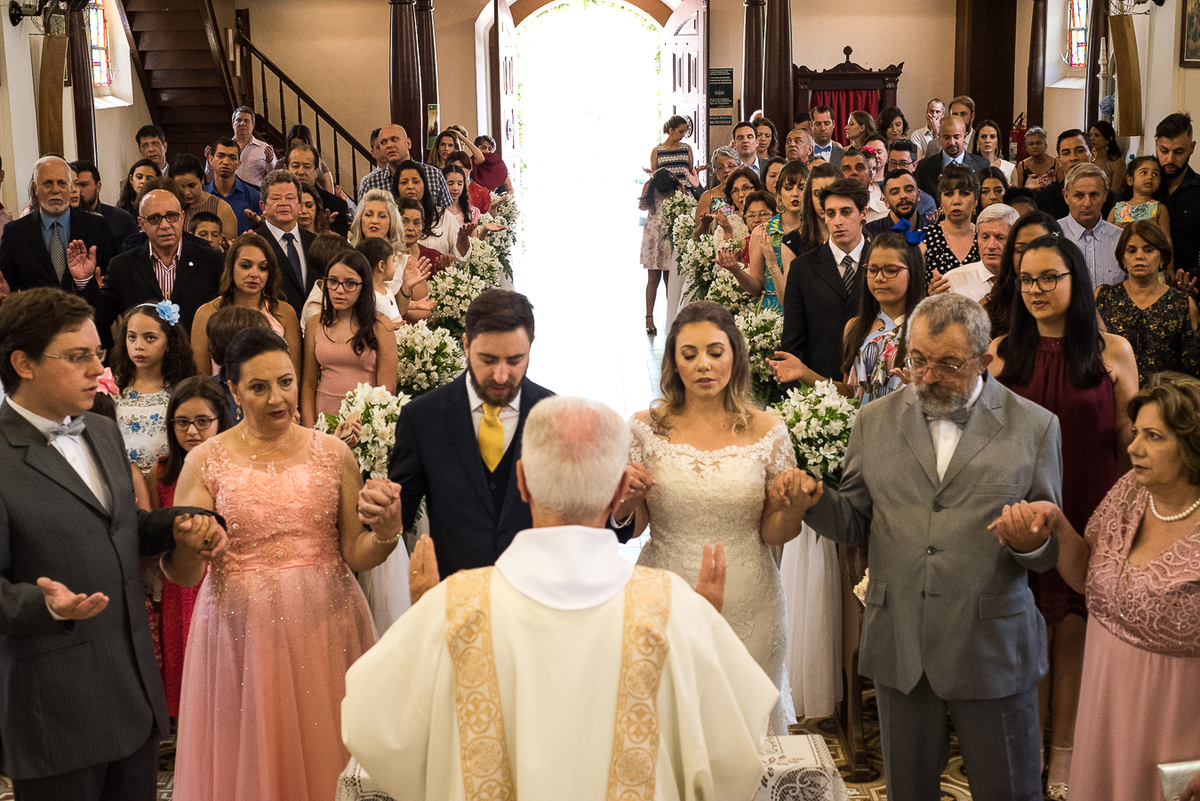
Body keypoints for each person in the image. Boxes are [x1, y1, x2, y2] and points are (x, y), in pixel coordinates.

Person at [345, 395, 780, 801]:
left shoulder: (454, 607)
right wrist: (704, 634)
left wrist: (425, 631)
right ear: (616, 494)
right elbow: (735, 759)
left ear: (522, 482)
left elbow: (372, 729)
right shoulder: (675, 611)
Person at [791, 291, 1063, 801]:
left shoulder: (1035, 427)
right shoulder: (873, 422)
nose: (929, 376)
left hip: (992, 644)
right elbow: (854, 520)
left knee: (1009, 789)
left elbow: (1048, 550)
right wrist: (815, 500)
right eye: (917, 360)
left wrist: (1030, 545)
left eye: (948, 364)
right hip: (901, 639)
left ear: (984, 360)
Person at [0, 287, 225, 800]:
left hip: (131, 694)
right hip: (55, 709)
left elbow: (123, 527)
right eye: (78, 357)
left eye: (97, 353)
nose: (95, 368)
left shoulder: (103, 430)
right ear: (23, 363)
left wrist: (178, 524)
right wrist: (46, 605)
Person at [172, 327, 392, 801]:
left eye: (287, 382)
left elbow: (356, 551)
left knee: (328, 750)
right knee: (251, 755)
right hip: (240, 631)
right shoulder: (205, 461)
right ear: (232, 390)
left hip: (327, 625)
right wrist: (194, 544)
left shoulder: (334, 454)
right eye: (259, 387)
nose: (278, 398)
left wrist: (388, 532)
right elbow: (185, 573)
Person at [989, 372, 1200, 801]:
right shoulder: (1128, 493)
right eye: (1136, 432)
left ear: (1193, 446)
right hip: (1104, 706)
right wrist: (1055, 524)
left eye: (1154, 437)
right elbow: (1089, 577)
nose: (1134, 447)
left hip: (1174, 724)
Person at [989, 233, 1138, 799]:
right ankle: (1027, 747)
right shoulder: (1001, 350)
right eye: (1027, 279)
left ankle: (1067, 755)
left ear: (1077, 280)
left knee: (1075, 627)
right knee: (1024, 628)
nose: (1037, 289)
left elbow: (1129, 440)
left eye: (1050, 277)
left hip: (1089, 501)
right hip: (1021, 508)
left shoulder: (1111, 351)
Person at [613, 301, 806, 732]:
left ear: (734, 355)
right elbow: (635, 522)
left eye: (715, 352)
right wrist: (624, 498)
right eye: (690, 354)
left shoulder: (768, 429)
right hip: (666, 593)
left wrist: (791, 507)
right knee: (671, 726)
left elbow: (775, 534)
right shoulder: (645, 428)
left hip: (749, 600)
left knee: (744, 729)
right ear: (674, 362)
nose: (704, 365)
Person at [388, 290, 635, 578]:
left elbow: (589, 518)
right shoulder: (422, 418)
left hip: (543, 591)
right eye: (488, 360)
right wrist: (380, 512)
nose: (501, 375)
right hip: (458, 594)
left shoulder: (557, 415)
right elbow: (399, 515)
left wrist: (621, 507)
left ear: (531, 345)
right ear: (466, 345)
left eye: (515, 360)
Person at [144, 376, 231, 721]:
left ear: (221, 421)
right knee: (188, 671)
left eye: (202, 422)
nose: (192, 431)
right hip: (180, 585)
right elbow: (155, 533)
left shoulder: (233, 467)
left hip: (221, 578)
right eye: (182, 422)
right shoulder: (162, 472)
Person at [769, 231, 926, 404]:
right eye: (872, 270)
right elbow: (850, 393)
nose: (879, 278)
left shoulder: (926, 329)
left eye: (891, 270)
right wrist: (804, 372)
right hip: (863, 426)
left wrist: (922, 390)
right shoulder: (855, 327)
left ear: (913, 272)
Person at [100, 188, 225, 336]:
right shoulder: (121, 267)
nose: (165, 225)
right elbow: (101, 321)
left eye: (171, 216)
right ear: (141, 223)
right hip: (143, 354)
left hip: (194, 355)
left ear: (182, 217)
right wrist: (84, 281)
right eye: (154, 218)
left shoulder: (212, 261)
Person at [781, 178, 868, 383]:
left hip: (874, 387)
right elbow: (793, 343)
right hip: (819, 389)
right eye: (831, 214)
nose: (837, 221)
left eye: (846, 212)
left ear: (863, 213)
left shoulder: (881, 262)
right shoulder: (802, 268)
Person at [1096, 221, 1200, 387]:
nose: (1139, 256)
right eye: (1131, 250)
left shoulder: (1182, 303)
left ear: (1162, 258)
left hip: (1165, 403)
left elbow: (1193, 370)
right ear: (1122, 258)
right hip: (1112, 399)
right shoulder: (1103, 297)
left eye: (1148, 249)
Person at [300, 249, 398, 424]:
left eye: (350, 283)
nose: (339, 290)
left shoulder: (381, 325)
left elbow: (387, 391)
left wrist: (372, 430)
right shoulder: (314, 324)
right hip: (324, 419)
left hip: (364, 423)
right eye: (333, 282)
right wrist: (310, 431)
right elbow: (308, 384)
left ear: (363, 287)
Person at [190, 233, 303, 378]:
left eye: (263, 268)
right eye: (246, 266)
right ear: (231, 267)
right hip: (222, 398)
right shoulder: (206, 313)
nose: (255, 274)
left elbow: (293, 376)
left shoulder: (284, 312)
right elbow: (201, 379)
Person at [0, 156, 115, 298]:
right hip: (37, 317)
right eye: (48, 183)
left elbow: (111, 280)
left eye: (62, 183)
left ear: (71, 186)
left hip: (86, 315)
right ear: (35, 188)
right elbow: (6, 287)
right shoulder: (14, 233)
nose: (56, 190)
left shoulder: (98, 226)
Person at [112, 302, 199, 474]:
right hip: (126, 483)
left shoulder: (182, 390)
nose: (139, 346)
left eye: (150, 338)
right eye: (132, 337)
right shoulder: (112, 389)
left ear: (169, 342)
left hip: (169, 480)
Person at [986, 210, 1064, 338]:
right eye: (1021, 249)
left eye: (1038, 247)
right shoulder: (993, 307)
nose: (1029, 256)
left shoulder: (1071, 300)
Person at [254, 169, 318, 320]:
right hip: (272, 328)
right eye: (276, 198)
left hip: (314, 326)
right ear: (263, 207)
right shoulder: (254, 243)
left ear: (300, 204)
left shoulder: (316, 243)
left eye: (290, 198)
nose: (284, 203)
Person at [750, 160, 808, 312]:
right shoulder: (762, 231)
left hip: (807, 307)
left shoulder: (815, 231)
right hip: (771, 310)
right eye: (788, 188)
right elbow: (757, 286)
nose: (795, 193)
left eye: (801, 188)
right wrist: (735, 270)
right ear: (779, 195)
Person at [1060, 163, 1125, 289]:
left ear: (1105, 195)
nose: (1087, 203)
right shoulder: (1052, 236)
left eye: (1094, 195)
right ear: (1066, 196)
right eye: (1079, 195)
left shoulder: (1121, 239)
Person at [393, 159, 473, 260]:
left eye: (416, 182)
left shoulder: (444, 216)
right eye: (404, 182)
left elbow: (460, 259)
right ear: (397, 187)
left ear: (425, 185)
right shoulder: (390, 217)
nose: (410, 186)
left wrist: (463, 241)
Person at [357, 123, 453, 207]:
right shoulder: (370, 184)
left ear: (408, 143)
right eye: (383, 142)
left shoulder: (434, 175)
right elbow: (362, 221)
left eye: (394, 139)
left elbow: (448, 215)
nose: (389, 145)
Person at [1156, 112, 1200, 280]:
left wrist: (1193, 279)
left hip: (1188, 285)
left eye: (1179, 152)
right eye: (1164, 150)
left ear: (1192, 147)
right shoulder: (1140, 185)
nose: (1170, 159)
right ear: (1156, 144)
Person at [945, 203, 1019, 303]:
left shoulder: (1024, 280)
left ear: (1014, 240)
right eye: (985, 237)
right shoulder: (951, 282)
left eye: (1000, 238)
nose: (991, 246)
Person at [923, 165, 982, 276]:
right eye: (949, 194)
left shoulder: (985, 237)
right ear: (940, 201)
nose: (956, 201)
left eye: (964, 193)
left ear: (976, 200)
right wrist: (930, 292)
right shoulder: (924, 239)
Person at [640, 169, 678, 335]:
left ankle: (652, 318)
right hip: (663, 233)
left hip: (658, 233)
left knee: (656, 280)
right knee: (666, 279)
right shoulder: (675, 186)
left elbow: (642, 206)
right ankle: (666, 317)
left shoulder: (653, 185)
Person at [912, 116, 988, 199]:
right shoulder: (924, 167)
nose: (952, 142)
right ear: (939, 137)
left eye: (956, 137)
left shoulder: (982, 165)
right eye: (946, 137)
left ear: (965, 137)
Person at [1108, 156, 1173, 254]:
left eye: (1155, 174)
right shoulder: (1117, 209)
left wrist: (1169, 268)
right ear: (1130, 180)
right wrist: (1115, 228)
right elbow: (1105, 235)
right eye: (1144, 172)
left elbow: (1166, 240)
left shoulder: (1159, 208)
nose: (1150, 177)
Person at [357, 235, 427, 325]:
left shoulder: (386, 287)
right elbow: (372, 324)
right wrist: (390, 327)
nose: (395, 265)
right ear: (382, 266)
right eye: (393, 260)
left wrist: (416, 304)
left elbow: (393, 306)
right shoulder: (370, 296)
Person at [1035, 129, 1101, 221]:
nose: (1073, 158)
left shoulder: (1111, 198)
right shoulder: (1044, 199)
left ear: (1093, 154)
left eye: (1080, 151)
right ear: (1059, 161)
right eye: (1066, 153)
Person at [69, 161, 139, 245]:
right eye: (74, 184)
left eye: (84, 185)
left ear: (98, 187)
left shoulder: (122, 219)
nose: (77, 190)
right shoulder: (65, 222)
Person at [288, 143, 350, 237]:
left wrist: (323, 227)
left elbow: (341, 245)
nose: (300, 172)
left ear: (316, 172)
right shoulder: (280, 202)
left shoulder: (335, 205)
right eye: (295, 166)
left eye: (307, 167)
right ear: (287, 170)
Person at [170, 153, 237, 239]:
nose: (186, 192)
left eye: (192, 185)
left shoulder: (221, 208)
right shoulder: (170, 207)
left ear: (202, 180)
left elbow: (229, 246)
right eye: (181, 187)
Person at [204, 137, 261, 235]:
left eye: (232, 158)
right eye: (220, 156)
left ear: (239, 164)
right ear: (211, 160)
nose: (226, 162)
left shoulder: (254, 196)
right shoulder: (202, 196)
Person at [794, 162, 839, 254]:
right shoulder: (794, 240)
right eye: (817, 194)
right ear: (809, 197)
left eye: (829, 193)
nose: (822, 200)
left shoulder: (857, 237)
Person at [693, 145, 739, 231]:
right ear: (716, 173)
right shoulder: (707, 197)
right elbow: (698, 237)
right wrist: (705, 224)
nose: (726, 170)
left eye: (731, 166)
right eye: (720, 167)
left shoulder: (748, 193)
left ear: (740, 167)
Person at [228, 105, 275, 187]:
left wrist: (269, 162)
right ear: (232, 124)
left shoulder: (264, 148)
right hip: (228, 195)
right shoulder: (225, 147)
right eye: (239, 120)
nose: (242, 123)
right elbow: (210, 177)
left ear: (253, 125)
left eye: (246, 121)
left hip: (255, 195)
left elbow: (275, 177)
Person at [1013, 126, 1057, 191]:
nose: (1035, 146)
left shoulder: (1056, 163)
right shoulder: (1022, 166)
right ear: (1026, 147)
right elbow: (1019, 192)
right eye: (1031, 144)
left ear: (1046, 145)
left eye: (1039, 143)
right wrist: (1026, 187)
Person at [1089, 120, 1127, 193]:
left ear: (1108, 139)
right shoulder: (1087, 159)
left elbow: (1115, 192)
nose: (1092, 139)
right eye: (1090, 135)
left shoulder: (1116, 163)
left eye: (1097, 135)